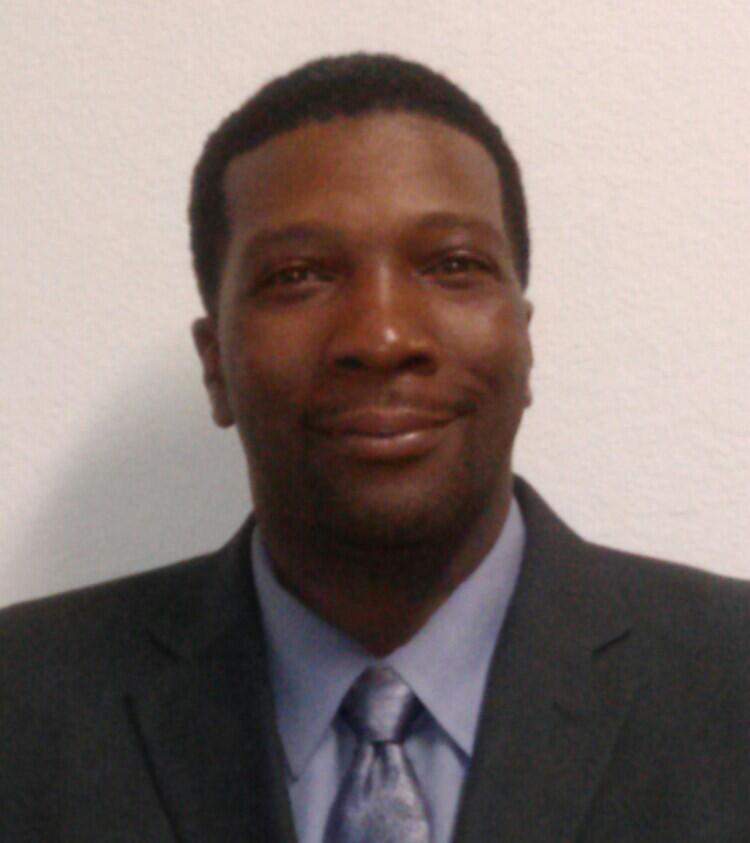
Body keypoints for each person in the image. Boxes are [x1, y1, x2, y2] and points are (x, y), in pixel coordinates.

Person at [1, 53, 748, 843]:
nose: (383, 336)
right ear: (215, 364)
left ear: (525, 343)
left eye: (453, 265)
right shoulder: (23, 704)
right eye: (299, 275)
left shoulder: (730, 680)